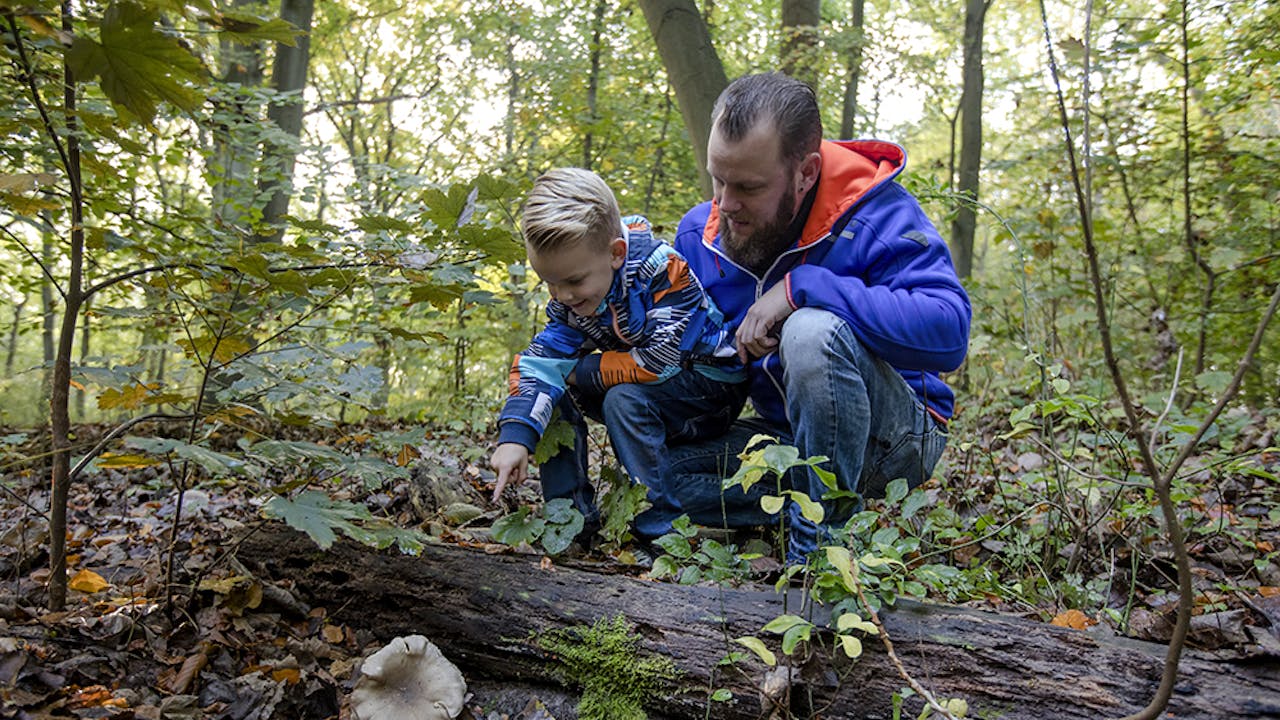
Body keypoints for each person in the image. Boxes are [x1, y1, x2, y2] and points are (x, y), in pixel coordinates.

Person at [667, 72, 972, 564]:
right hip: (787, 436)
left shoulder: (878, 214)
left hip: (893, 440)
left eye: (748, 186)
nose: (725, 204)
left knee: (812, 331)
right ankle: (806, 509)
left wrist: (801, 289)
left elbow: (949, 330)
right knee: (660, 477)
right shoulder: (698, 237)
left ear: (806, 172)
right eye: (717, 179)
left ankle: (818, 556)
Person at [489, 167, 747, 543]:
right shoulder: (571, 297)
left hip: (708, 385)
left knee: (621, 397)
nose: (562, 295)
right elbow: (543, 360)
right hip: (643, 386)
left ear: (616, 254)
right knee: (554, 386)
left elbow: (661, 359)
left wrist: (581, 369)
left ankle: (661, 528)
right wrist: (516, 436)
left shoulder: (663, 269)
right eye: (550, 283)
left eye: (574, 281)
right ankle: (571, 519)